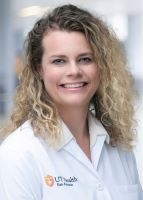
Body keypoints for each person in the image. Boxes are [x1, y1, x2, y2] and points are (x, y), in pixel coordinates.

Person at [0, 4, 142, 200]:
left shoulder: (119, 148)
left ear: (101, 66)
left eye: (85, 59)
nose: (74, 71)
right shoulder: (20, 153)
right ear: (39, 69)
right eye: (59, 61)